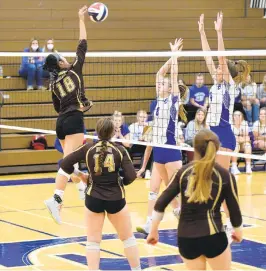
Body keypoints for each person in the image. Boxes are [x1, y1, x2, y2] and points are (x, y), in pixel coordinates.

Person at [47, 118, 141, 270]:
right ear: (113, 132)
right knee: (128, 239)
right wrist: (118, 181)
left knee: (93, 242)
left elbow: (64, 164)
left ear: (96, 132)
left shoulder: (88, 148)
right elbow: (131, 176)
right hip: (115, 199)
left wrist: (81, 175)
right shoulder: (120, 150)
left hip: (93, 198)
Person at [147, 129, 243, 271]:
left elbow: (161, 202)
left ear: (194, 148)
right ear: (216, 148)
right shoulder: (224, 175)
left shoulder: (183, 172)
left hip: (187, 239)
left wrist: (153, 230)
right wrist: (238, 231)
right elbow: (234, 209)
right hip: (213, 237)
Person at [198, 12, 249, 240]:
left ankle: (231, 221)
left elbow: (219, 57)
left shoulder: (229, 86)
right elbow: (209, 57)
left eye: (220, 69)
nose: (215, 70)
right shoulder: (217, 84)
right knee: (212, 176)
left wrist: (219, 32)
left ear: (226, 72)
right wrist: (201, 32)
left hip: (225, 134)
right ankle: (219, 216)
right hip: (212, 134)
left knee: (222, 177)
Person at [44, 6, 93, 214]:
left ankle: (82, 184)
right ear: (62, 63)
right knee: (67, 162)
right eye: (62, 57)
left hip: (61, 123)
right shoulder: (74, 70)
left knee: (69, 160)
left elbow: (57, 108)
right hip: (73, 120)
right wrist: (81, 18)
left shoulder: (53, 85)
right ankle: (56, 198)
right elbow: (83, 43)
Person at [136, 38, 188, 235]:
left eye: (164, 85)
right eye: (162, 84)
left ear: (171, 89)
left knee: (175, 189)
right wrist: (171, 56)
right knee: (154, 189)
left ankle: (184, 214)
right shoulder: (159, 100)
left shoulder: (174, 101)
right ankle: (150, 222)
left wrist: (175, 55)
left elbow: (172, 75)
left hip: (171, 150)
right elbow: (160, 73)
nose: (161, 85)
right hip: (158, 149)